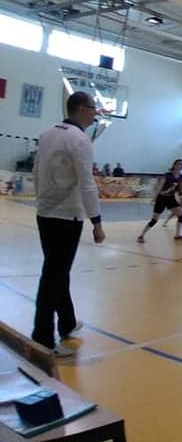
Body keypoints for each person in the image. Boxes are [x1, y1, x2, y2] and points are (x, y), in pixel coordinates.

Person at [31, 91, 106, 357]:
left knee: (57, 272)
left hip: (45, 215)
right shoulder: (80, 139)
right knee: (53, 277)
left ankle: (67, 322)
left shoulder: (46, 134)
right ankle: (42, 339)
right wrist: (97, 221)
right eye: (93, 108)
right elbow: (87, 183)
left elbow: (36, 172)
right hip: (67, 219)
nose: (96, 113)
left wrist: (43, 203)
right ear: (82, 109)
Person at [139, 158, 182, 243]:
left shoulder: (181, 177)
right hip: (162, 198)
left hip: (171, 198)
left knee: (181, 216)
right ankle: (141, 236)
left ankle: (177, 235)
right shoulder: (167, 176)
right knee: (154, 220)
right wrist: (154, 198)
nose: (180, 165)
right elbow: (159, 187)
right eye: (179, 164)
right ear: (174, 165)